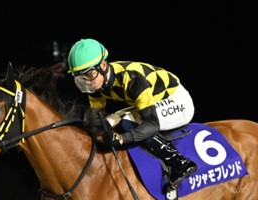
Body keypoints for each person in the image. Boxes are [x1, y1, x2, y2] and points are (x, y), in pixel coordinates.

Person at [67, 38, 198, 190]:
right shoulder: (97, 82)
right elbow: (99, 118)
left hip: (177, 101)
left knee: (128, 122)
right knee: (111, 120)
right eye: (81, 77)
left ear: (103, 65)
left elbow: (151, 123)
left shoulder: (133, 79)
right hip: (154, 100)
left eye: (89, 75)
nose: (87, 82)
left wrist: (121, 139)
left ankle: (180, 162)